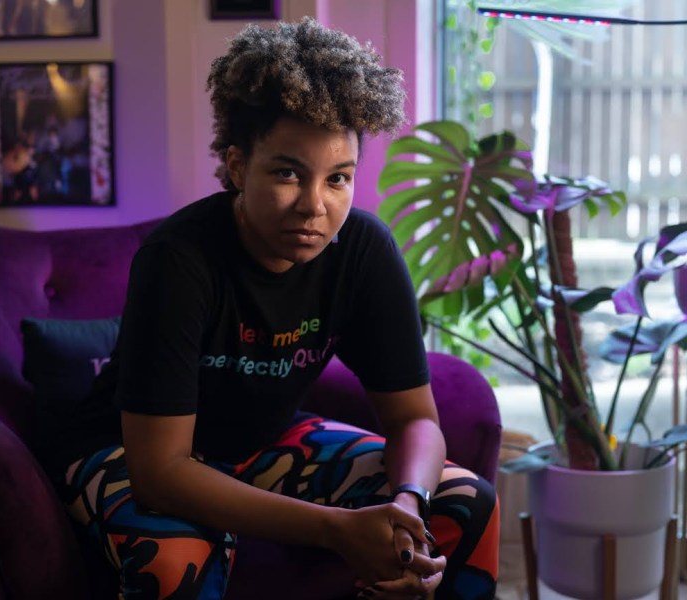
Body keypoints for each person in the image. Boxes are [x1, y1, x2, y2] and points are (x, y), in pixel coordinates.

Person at [54, 17, 499, 600]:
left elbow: (416, 419)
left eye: (338, 178)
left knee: (465, 502)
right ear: (238, 166)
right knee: (178, 561)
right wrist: (337, 529)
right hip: (124, 450)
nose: (314, 205)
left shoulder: (364, 252)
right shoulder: (178, 259)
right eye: (288, 173)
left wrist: (405, 505)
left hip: (263, 442)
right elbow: (161, 473)